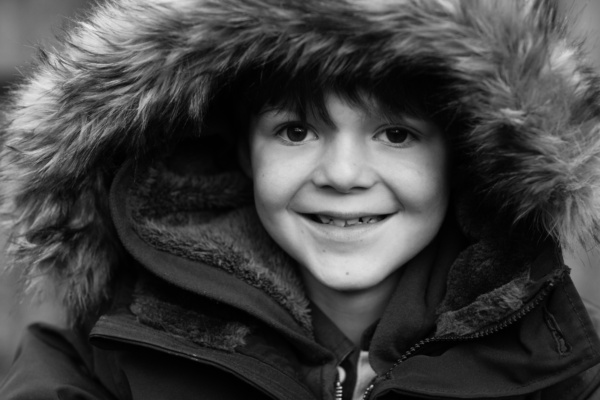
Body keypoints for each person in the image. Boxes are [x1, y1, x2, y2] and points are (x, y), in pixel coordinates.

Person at [1, 0, 600, 399]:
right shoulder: (95, 361)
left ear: (464, 160)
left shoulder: (566, 370)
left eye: (396, 134)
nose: (342, 174)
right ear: (242, 152)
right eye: (296, 131)